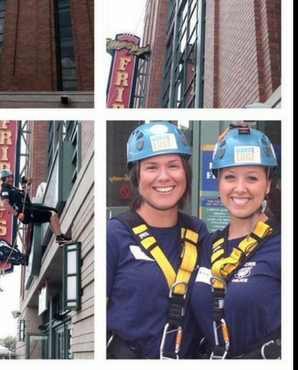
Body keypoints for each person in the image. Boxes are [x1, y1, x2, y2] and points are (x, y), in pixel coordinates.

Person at [107, 121, 208, 359]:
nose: (164, 177)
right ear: (136, 176)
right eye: (151, 167)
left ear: (185, 173)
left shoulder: (197, 232)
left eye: (173, 165)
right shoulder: (113, 235)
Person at [191, 124, 281, 359]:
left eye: (252, 178)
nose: (240, 189)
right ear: (218, 181)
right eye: (230, 177)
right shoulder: (205, 246)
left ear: (268, 184)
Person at [0, 169, 73, 244]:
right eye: (8, 177)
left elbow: (23, 197)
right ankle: (59, 237)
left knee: (50, 217)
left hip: (29, 209)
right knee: (52, 212)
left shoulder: (13, 189)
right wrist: (17, 214)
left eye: (11, 177)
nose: (11, 179)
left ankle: (59, 237)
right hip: (27, 211)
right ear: (3, 179)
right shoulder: (5, 190)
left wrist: (26, 185)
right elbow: (6, 205)